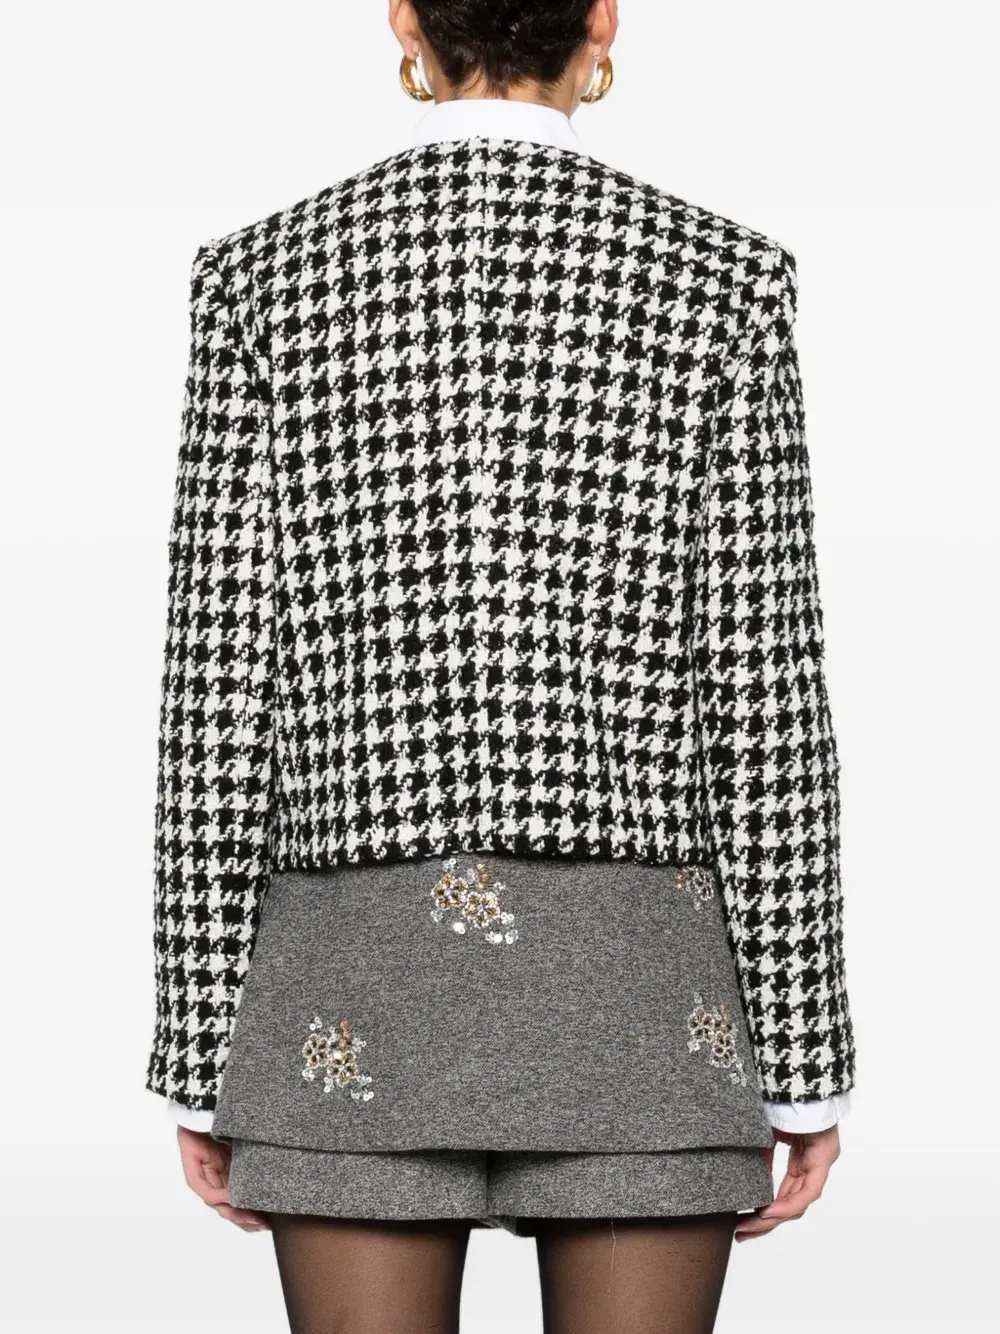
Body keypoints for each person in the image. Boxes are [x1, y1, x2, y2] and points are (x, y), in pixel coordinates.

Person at [147, 2, 855, 1329]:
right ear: (602, 19)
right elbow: (765, 696)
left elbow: (219, 691)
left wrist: (199, 1043)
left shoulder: (261, 278)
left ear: (407, 19)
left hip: (345, 983)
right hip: (640, 989)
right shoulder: (723, 281)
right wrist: (804, 1050)